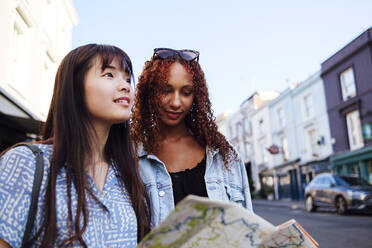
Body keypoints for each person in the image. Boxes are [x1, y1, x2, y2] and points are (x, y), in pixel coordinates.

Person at [0, 44, 151, 247]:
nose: (125, 86)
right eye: (109, 74)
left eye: (126, 78)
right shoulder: (26, 162)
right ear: (75, 87)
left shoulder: (127, 176)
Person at [131, 48, 253, 227]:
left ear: (196, 96)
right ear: (150, 92)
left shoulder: (224, 154)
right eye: (166, 90)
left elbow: (248, 228)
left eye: (186, 92)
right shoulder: (130, 156)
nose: (176, 102)